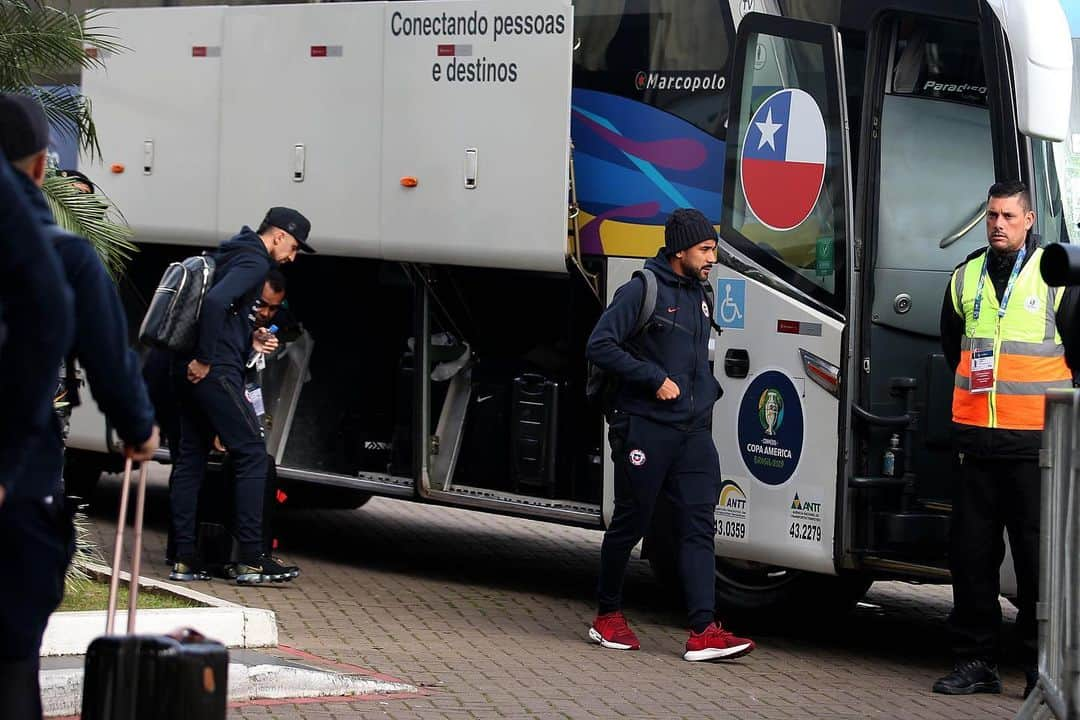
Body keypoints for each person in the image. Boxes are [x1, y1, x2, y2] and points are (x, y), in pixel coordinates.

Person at [0, 93, 158, 720]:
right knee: (11, 666)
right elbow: (111, 360)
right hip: (21, 495)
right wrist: (138, 429)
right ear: (41, 167)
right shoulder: (64, 258)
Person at [585, 207, 755, 662]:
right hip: (645, 427)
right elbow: (599, 345)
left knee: (700, 526)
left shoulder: (703, 292)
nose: (712, 258)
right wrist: (653, 378)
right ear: (680, 249)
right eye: (705, 249)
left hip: (694, 433)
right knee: (632, 522)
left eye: (714, 249)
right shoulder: (643, 289)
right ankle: (608, 615)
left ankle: (704, 630)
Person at [934, 180, 1080, 697]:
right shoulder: (966, 275)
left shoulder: (1057, 278)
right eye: (992, 215)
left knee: (1040, 563)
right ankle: (976, 662)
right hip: (976, 442)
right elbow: (956, 349)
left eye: (1008, 217)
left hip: (1036, 446)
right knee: (971, 559)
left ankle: (1042, 669)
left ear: (1030, 220)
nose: (998, 224)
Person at [168, 206, 314, 585]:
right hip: (214, 369)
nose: (292, 256)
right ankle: (251, 558)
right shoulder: (254, 261)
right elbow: (216, 303)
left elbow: (223, 311)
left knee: (191, 458)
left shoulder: (232, 250)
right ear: (278, 235)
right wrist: (205, 358)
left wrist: (246, 338)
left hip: (187, 366)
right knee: (251, 453)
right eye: (294, 247)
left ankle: (184, 558)